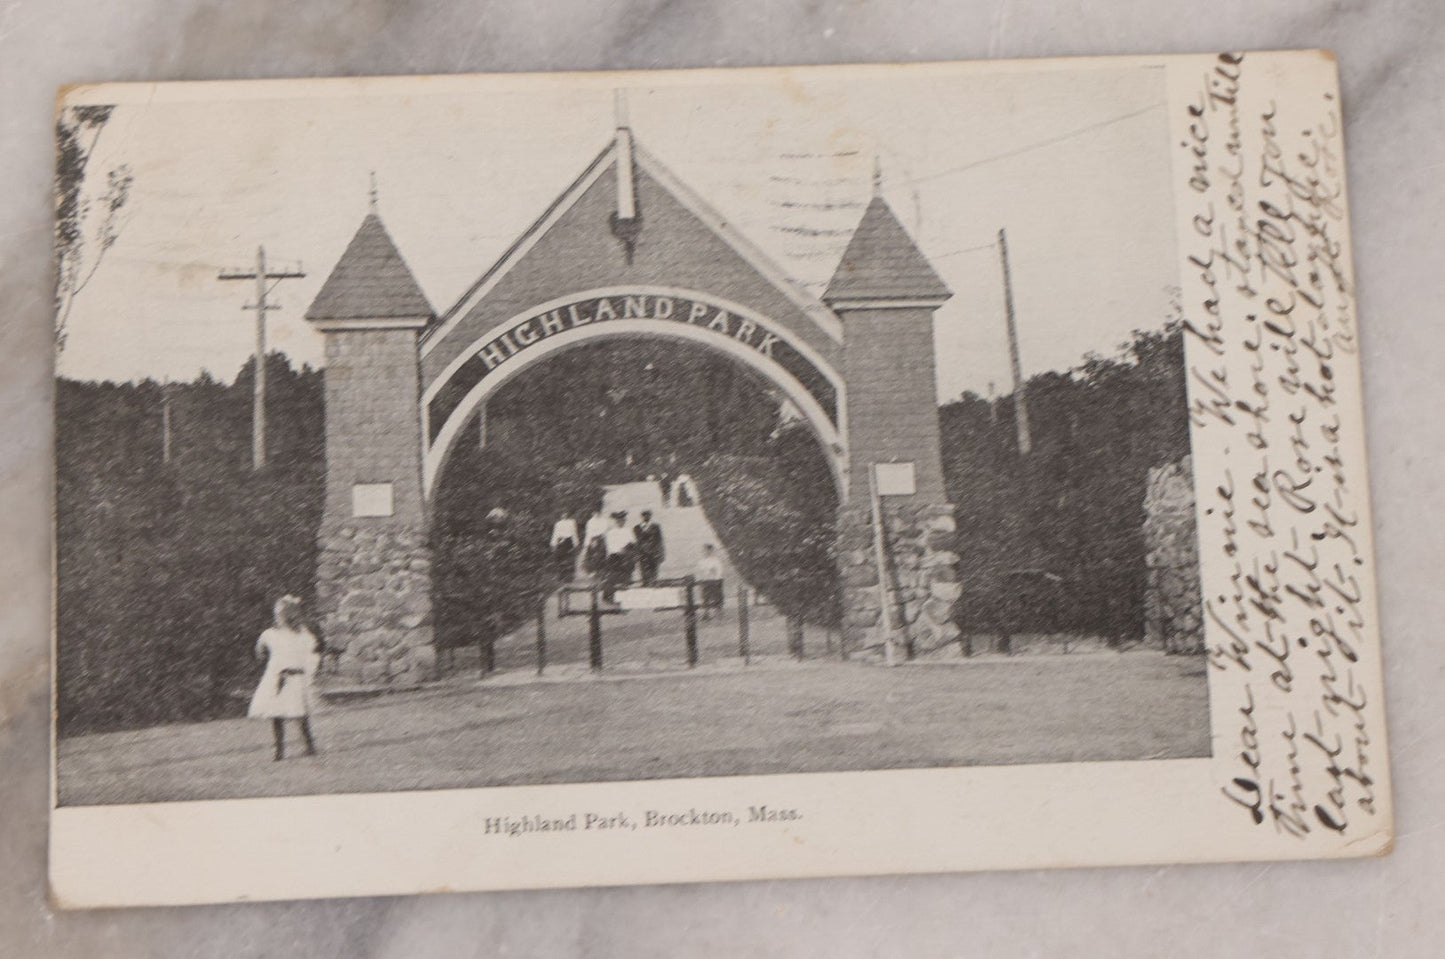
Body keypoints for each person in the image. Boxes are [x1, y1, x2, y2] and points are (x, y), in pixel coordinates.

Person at [247, 595, 321, 761]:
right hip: (277, 678)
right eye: (278, 615)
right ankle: (279, 749)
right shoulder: (270, 634)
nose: (279, 618)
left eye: (282, 615)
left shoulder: (303, 634)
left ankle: (309, 746)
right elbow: (259, 650)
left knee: (300, 713)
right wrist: (267, 659)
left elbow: (311, 652)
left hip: (295, 677)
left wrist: (308, 670)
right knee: (277, 714)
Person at [601, 511, 636, 603]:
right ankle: (609, 598)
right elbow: (609, 545)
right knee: (611, 578)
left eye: (623, 520)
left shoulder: (628, 531)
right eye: (619, 521)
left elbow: (633, 542)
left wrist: (627, 549)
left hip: (625, 557)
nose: (621, 522)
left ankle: (623, 598)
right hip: (614, 556)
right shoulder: (611, 532)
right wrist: (618, 550)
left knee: (625, 577)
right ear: (616, 521)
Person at [633, 509, 665, 586]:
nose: (646, 517)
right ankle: (645, 583)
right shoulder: (637, 528)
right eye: (644, 516)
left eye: (648, 515)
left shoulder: (656, 527)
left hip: (653, 552)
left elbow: (659, 541)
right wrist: (636, 554)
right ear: (642, 517)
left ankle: (654, 582)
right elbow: (636, 542)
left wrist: (661, 553)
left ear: (650, 516)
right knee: (643, 569)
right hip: (642, 553)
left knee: (654, 568)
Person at [695, 543, 724, 620]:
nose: (705, 552)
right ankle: (706, 614)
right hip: (705, 581)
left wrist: (715, 576)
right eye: (703, 551)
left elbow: (718, 571)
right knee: (705, 598)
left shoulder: (716, 560)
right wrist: (700, 579)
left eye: (707, 550)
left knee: (717, 597)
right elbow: (700, 571)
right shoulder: (701, 561)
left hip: (715, 581)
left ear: (710, 551)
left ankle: (718, 614)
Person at [549, 513, 579, 582]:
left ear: (567, 514)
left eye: (565, 513)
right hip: (560, 543)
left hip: (569, 542)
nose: (564, 515)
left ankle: (569, 577)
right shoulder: (558, 524)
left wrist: (576, 543)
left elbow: (574, 533)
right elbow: (555, 534)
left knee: (569, 560)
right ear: (561, 515)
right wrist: (553, 543)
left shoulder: (571, 522)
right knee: (560, 559)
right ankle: (561, 576)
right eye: (563, 514)